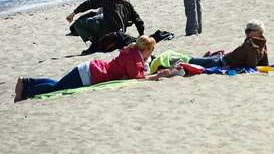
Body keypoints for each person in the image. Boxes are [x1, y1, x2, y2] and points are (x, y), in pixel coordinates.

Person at [15, 36, 171, 102]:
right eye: (152, 50)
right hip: (90, 74)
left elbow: (134, 72)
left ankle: (27, 82)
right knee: (58, 87)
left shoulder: (131, 51)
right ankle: (24, 92)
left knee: (59, 83)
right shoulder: (135, 58)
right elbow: (135, 78)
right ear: (147, 50)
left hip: (90, 68)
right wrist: (157, 75)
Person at [66, 0, 145, 54]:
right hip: (120, 32)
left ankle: (95, 43)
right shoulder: (126, 2)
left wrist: (73, 14)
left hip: (108, 29)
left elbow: (88, 3)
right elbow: (138, 21)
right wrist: (141, 36)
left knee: (78, 24)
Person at [187, 20, 268, 69]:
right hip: (220, 60)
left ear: (258, 32)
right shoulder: (259, 41)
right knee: (190, 60)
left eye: (249, 31)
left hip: (219, 62)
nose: (246, 33)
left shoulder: (253, 44)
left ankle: (174, 57)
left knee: (190, 60)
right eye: (246, 30)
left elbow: (252, 64)